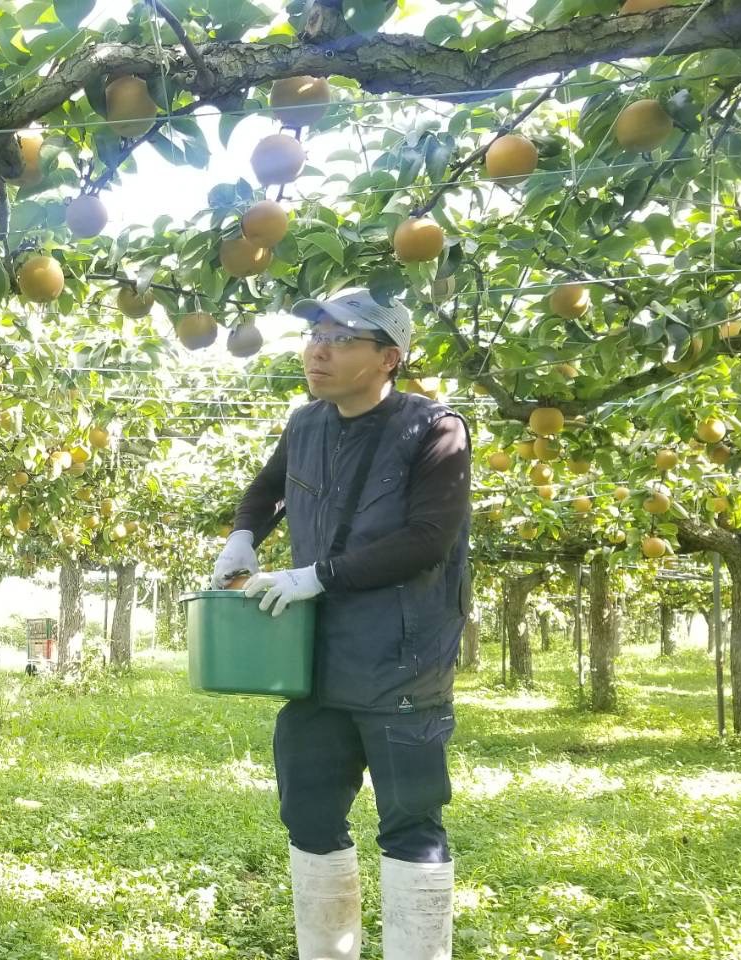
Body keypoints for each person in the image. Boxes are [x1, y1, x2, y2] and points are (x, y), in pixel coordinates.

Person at [214, 289, 472, 960]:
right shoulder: (306, 425)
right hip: (315, 662)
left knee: (411, 822)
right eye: (315, 335)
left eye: (341, 338)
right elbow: (267, 489)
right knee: (309, 813)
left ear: (387, 358)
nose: (318, 350)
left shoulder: (435, 430)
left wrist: (315, 576)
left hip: (403, 660)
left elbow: (426, 540)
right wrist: (244, 535)